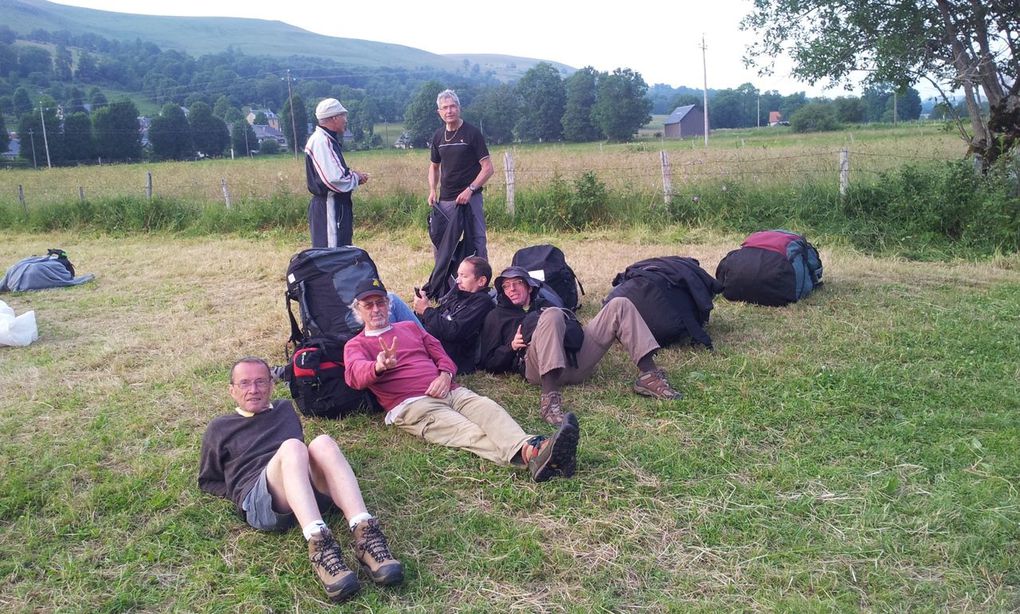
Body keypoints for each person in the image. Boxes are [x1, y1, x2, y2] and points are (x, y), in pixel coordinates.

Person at [199, 357, 403, 603]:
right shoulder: (219, 427)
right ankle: (320, 545)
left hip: (301, 489)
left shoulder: (285, 409)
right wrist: (240, 496)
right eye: (244, 384)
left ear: (272, 386)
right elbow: (209, 479)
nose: (253, 390)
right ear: (231, 390)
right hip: (264, 501)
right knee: (294, 447)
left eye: (261, 382)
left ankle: (366, 534)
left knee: (322, 443)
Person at [343, 277, 579, 482]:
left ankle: (542, 455)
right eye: (369, 305)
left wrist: (445, 375)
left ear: (389, 304)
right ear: (358, 310)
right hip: (414, 405)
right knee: (468, 432)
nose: (376, 309)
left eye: (381, 302)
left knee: (489, 410)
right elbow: (354, 375)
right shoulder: (356, 344)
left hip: (450, 390)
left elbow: (439, 353)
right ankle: (536, 451)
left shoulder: (409, 328)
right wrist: (378, 365)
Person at [479, 266, 683, 426]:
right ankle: (550, 400)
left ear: (529, 286)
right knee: (552, 314)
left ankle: (649, 376)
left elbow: (575, 330)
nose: (511, 289)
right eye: (506, 286)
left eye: (517, 283)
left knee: (619, 304)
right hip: (536, 368)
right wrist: (512, 347)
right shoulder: (497, 316)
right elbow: (488, 362)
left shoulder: (545, 304)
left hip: (575, 363)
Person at [428, 89, 493, 261]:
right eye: (445, 108)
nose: (449, 111)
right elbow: (434, 167)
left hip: (471, 198)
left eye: (452, 106)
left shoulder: (472, 134)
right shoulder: (438, 136)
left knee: (477, 240)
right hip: (446, 199)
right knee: (441, 241)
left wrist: (470, 189)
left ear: (459, 108)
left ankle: (480, 283)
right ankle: (443, 283)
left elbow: (487, 168)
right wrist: (433, 190)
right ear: (439, 112)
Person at [412, 256, 495, 375]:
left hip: (448, 354)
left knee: (393, 301)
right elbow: (437, 318)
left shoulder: (482, 303)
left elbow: (454, 331)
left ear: (481, 281)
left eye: (464, 276)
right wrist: (420, 310)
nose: (458, 280)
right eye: (458, 275)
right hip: (429, 339)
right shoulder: (459, 295)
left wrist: (426, 310)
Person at [305, 98, 369, 248]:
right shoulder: (322, 142)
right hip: (329, 206)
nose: (345, 120)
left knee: (338, 252)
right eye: (343, 116)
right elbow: (334, 179)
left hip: (333, 206)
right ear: (334, 118)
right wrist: (356, 177)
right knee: (332, 254)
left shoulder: (325, 140)